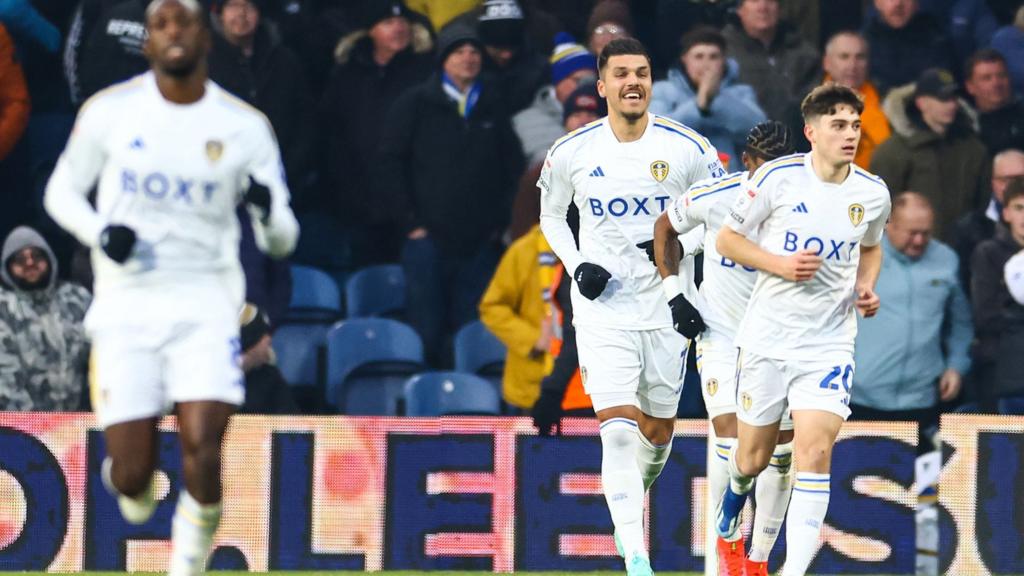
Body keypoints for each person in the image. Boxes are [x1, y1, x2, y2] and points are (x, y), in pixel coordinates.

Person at [42, 2, 298, 575]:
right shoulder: (110, 112)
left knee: (203, 449)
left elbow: (284, 238)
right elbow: (60, 194)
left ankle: (186, 566)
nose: (174, 32)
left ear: (205, 36)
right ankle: (129, 484)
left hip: (208, 306)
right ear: (148, 41)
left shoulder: (244, 126)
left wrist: (264, 214)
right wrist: (100, 233)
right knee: (133, 480)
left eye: (185, 21)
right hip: (128, 307)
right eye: (161, 24)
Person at [538, 37, 724, 575]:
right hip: (605, 310)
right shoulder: (573, 151)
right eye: (620, 74)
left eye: (641, 72)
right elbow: (552, 215)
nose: (632, 82)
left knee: (656, 435)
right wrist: (578, 265)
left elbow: (720, 222)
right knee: (617, 429)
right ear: (601, 87)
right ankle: (637, 558)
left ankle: (624, 505)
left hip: (669, 308)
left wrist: (678, 248)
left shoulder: (688, 149)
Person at [713, 83, 891, 576]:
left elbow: (871, 246)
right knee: (751, 459)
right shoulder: (777, 178)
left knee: (814, 449)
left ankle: (792, 570)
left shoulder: (872, 193)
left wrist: (866, 287)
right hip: (768, 338)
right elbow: (727, 240)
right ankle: (731, 514)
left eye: (855, 125)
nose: (850, 134)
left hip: (829, 343)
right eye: (838, 125)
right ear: (811, 132)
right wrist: (779, 263)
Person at [651, 120, 796, 576]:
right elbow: (665, 229)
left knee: (782, 450)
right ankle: (727, 542)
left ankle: (759, 558)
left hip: (780, 341)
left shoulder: (807, 204)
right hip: (721, 336)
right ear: (748, 163)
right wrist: (676, 294)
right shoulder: (716, 197)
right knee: (731, 434)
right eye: (763, 169)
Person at [377, 23, 523, 366]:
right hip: (426, 242)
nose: (468, 58)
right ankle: (424, 411)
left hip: (478, 246)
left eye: (474, 51)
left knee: (472, 333)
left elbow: (512, 171)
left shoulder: (493, 104)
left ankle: (466, 412)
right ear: (443, 58)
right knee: (425, 330)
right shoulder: (414, 103)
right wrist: (410, 223)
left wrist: (495, 227)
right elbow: (388, 164)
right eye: (459, 51)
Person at [851, 192, 972, 452]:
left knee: (919, 490)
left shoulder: (946, 259)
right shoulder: (859, 257)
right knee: (860, 488)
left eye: (926, 233)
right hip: (861, 397)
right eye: (911, 232)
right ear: (888, 225)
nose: (919, 241)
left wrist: (956, 366)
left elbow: (961, 322)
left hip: (922, 397)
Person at [871, 68, 989, 242]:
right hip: (909, 250)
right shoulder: (894, 151)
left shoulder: (973, 148)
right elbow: (879, 209)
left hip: (966, 248)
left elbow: (983, 203)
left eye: (953, 98)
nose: (951, 105)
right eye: (942, 99)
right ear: (921, 103)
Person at [0, 226, 92, 411]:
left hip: (76, 426)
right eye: (19, 259)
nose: (30, 263)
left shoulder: (77, 299)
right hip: (17, 428)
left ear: (50, 259)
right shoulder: (4, 307)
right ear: (7, 267)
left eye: (37, 256)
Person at [650, 26, 766, 171]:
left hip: (730, 181)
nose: (706, 65)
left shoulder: (741, 92)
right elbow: (655, 134)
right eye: (699, 56)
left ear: (723, 61)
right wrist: (698, 106)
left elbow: (760, 131)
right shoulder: (663, 90)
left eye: (713, 57)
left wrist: (715, 99)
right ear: (685, 59)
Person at [721, 0, 820, 149]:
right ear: (740, 9)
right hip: (741, 153)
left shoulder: (804, 53)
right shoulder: (722, 52)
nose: (763, 7)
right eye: (754, 1)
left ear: (779, 8)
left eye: (770, 1)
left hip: (795, 151)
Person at [971, 177, 1024, 414]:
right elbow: (985, 316)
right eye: (1019, 208)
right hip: (1005, 378)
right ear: (1006, 213)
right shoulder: (988, 253)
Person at [513, 32, 596, 163]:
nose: (586, 87)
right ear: (558, 82)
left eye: (591, 81)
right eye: (578, 80)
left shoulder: (607, 115)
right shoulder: (526, 121)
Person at [953, 149, 1024, 294]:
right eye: (1006, 180)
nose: (1013, 186)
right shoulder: (969, 229)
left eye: (1020, 179)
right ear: (994, 184)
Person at [821, 31, 890, 169]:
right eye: (844, 57)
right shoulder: (805, 108)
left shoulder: (888, 103)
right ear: (827, 63)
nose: (852, 65)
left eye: (860, 57)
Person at [862, 0, 955, 94]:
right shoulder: (862, 42)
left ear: (917, 3)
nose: (898, 3)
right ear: (877, 3)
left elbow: (945, 78)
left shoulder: (935, 38)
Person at [963, 48, 1024, 155]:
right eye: (986, 78)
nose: (996, 84)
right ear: (970, 87)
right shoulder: (966, 130)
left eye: (1001, 76)